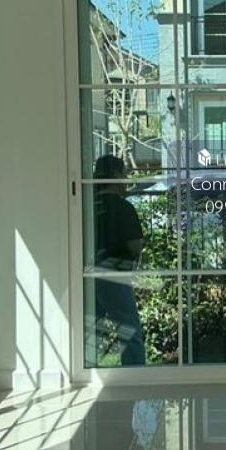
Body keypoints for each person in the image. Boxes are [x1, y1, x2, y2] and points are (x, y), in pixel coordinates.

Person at [93, 154, 146, 366]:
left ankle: (87, 369)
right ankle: (135, 375)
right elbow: (135, 244)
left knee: (92, 328)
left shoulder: (88, 206)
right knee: (129, 329)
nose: (126, 178)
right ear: (115, 175)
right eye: (124, 173)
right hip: (115, 275)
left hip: (88, 274)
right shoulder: (123, 208)